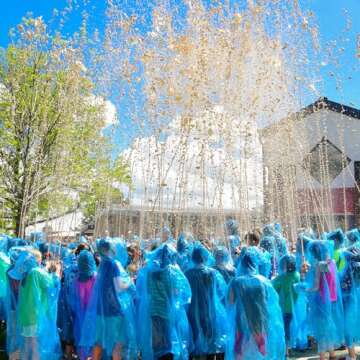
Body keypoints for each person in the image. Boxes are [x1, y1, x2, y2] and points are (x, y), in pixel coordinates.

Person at [79, 238, 137, 360]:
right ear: (110, 249)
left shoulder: (102, 264)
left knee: (99, 342)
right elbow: (119, 286)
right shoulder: (114, 264)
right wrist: (129, 282)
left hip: (101, 310)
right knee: (118, 344)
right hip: (115, 309)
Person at [227, 248, 285, 360]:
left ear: (241, 265)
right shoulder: (263, 281)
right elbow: (271, 302)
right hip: (261, 320)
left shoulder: (235, 282)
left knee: (240, 350)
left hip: (241, 321)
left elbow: (230, 302)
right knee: (262, 348)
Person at [137, 243, 192, 360]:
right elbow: (177, 292)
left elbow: (146, 290)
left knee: (157, 342)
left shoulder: (150, 272)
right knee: (170, 341)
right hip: (168, 311)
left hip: (153, 310)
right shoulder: (172, 272)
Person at [14, 249, 61, 360]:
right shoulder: (36, 272)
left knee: (26, 345)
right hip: (35, 316)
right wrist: (56, 273)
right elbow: (51, 283)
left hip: (25, 316)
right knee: (36, 346)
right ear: (36, 260)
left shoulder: (25, 274)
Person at [185, 244, 228, 359]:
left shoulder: (187, 273)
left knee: (195, 337)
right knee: (210, 338)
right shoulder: (213, 273)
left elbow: (183, 294)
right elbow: (222, 292)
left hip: (193, 311)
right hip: (210, 310)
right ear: (205, 257)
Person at [304, 240, 344, 360]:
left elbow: (316, 286)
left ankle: (322, 357)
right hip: (332, 300)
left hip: (321, 302)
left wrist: (304, 289)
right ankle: (332, 355)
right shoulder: (332, 262)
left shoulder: (318, 266)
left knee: (321, 332)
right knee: (329, 328)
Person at [69, 250, 97, 360]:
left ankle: (82, 357)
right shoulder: (96, 277)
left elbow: (73, 300)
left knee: (81, 338)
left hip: (81, 314)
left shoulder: (77, 279)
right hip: (93, 315)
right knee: (93, 339)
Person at [272, 254, 300, 354]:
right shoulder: (297, 275)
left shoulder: (282, 278)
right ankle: (290, 347)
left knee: (285, 328)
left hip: (284, 308)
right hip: (295, 307)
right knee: (291, 327)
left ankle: (286, 350)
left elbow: (272, 288)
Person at [339, 246, 360, 360]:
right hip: (356, 303)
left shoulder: (347, 271)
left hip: (348, 303)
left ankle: (351, 356)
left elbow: (342, 287)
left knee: (348, 330)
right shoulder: (357, 268)